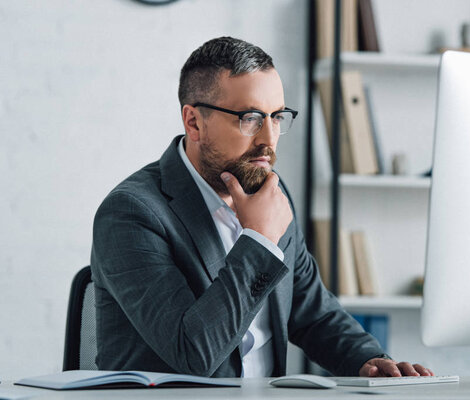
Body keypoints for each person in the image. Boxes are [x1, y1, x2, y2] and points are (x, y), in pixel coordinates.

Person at [91, 36, 433, 378]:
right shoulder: (131, 213)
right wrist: (259, 240)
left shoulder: (270, 191)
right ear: (194, 122)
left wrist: (371, 362)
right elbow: (192, 354)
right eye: (250, 118)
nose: (268, 139)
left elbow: (313, 312)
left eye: (277, 117)